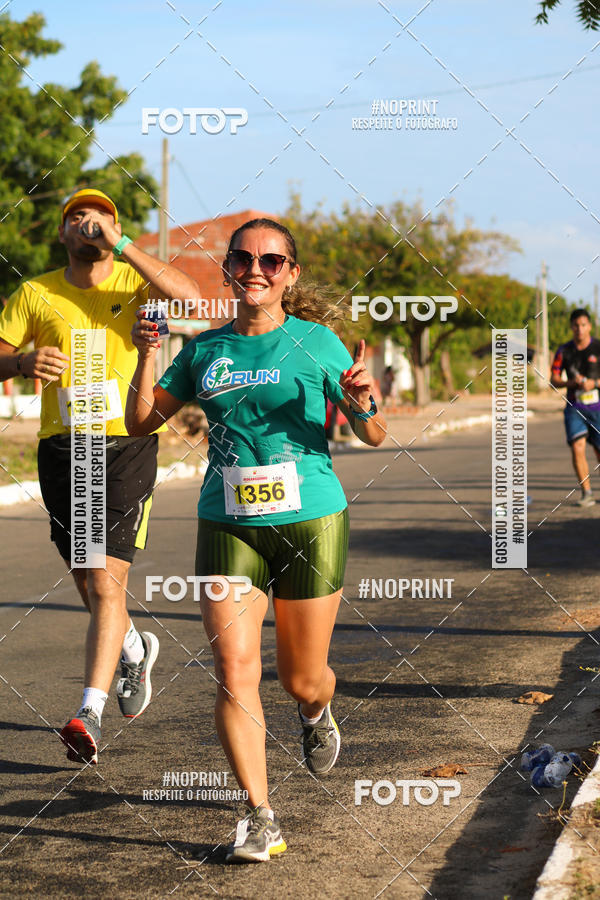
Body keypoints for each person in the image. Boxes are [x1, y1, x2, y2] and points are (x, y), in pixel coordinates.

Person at [125, 217, 387, 862]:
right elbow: (140, 420)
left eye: (272, 261)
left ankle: (314, 711)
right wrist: (146, 353)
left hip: (312, 520)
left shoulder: (317, 343)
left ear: (289, 273)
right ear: (228, 268)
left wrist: (362, 400)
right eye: (243, 258)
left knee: (301, 679)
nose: (256, 270)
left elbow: (373, 435)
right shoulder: (206, 350)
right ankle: (259, 815)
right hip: (227, 522)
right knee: (234, 672)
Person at [0, 188, 200, 764]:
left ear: (115, 229)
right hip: (63, 446)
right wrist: (19, 362)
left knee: (107, 580)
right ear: (62, 234)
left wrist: (125, 245)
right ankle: (134, 649)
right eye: (77, 219)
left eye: (101, 219)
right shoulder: (36, 292)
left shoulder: (135, 283)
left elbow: (187, 296)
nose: (89, 225)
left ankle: (88, 709)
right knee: (88, 579)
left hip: (125, 442)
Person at [550, 307, 600, 506]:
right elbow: (553, 379)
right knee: (577, 447)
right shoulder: (564, 351)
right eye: (576, 326)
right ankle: (586, 492)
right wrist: (571, 383)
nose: (579, 329)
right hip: (574, 408)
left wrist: (594, 384)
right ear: (571, 327)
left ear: (589, 326)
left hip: (597, 407)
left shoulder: (598, 348)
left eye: (583, 325)